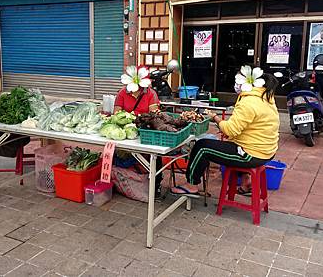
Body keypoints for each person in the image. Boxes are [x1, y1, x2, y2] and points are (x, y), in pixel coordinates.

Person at [171, 66, 279, 197]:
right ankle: (247, 182)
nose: (236, 85)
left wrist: (215, 118)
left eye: (238, 81)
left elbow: (230, 129)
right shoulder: (265, 97)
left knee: (202, 147)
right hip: (267, 152)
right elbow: (246, 127)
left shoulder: (249, 102)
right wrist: (228, 131)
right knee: (228, 145)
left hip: (252, 154)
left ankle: (191, 185)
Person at [113, 65, 164, 197]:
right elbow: (116, 114)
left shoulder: (151, 94)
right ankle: (118, 180)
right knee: (116, 151)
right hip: (126, 131)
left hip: (145, 130)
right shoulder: (122, 93)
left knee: (155, 154)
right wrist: (127, 118)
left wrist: (137, 116)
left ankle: (156, 184)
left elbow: (154, 114)